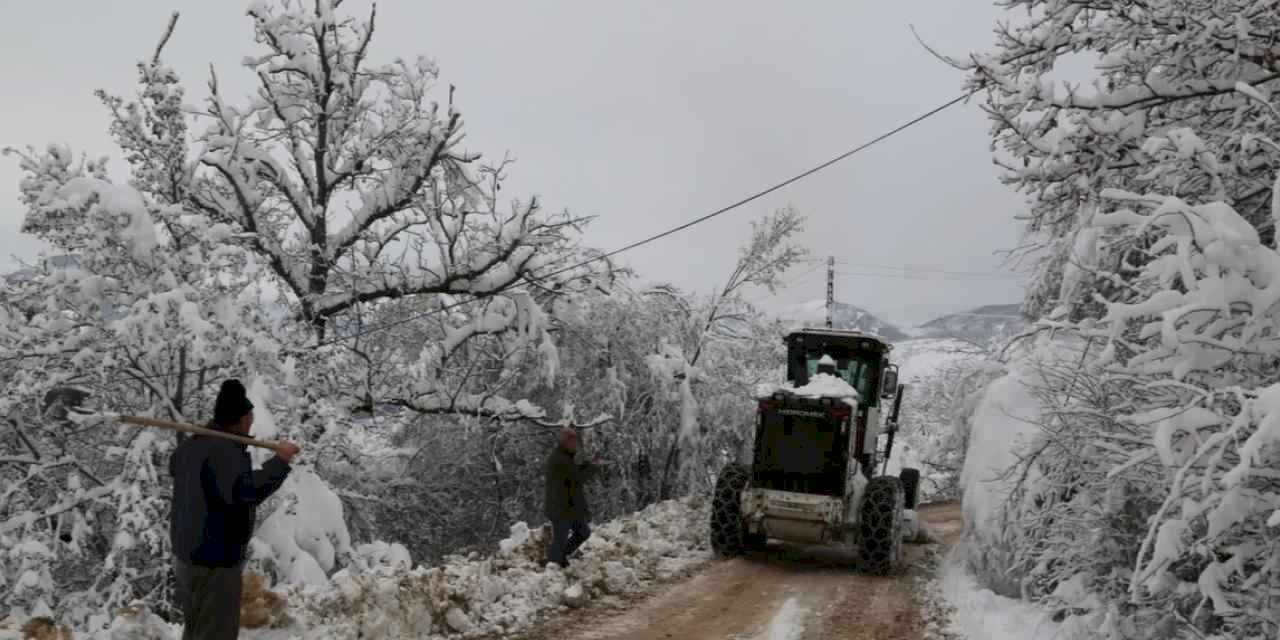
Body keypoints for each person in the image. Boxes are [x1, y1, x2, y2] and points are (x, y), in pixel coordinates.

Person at [169, 379, 300, 640]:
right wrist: (281, 462)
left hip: (186, 557)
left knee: (196, 629)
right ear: (238, 419)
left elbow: (175, 466)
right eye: (249, 415)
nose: (252, 420)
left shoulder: (192, 446)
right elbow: (245, 492)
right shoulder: (223, 450)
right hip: (214, 561)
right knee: (215, 632)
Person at [544, 426, 602, 568]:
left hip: (569, 507)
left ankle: (560, 557)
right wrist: (593, 468)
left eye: (576, 442)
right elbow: (577, 479)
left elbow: (573, 473)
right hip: (561, 507)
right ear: (565, 442)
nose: (576, 445)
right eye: (573, 442)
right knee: (560, 540)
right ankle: (552, 567)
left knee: (583, 532)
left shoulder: (564, 456)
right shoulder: (560, 459)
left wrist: (589, 464)